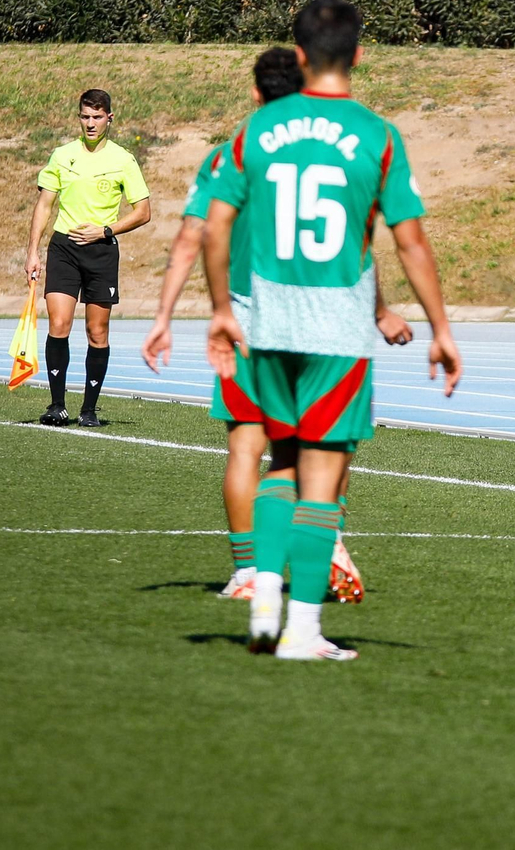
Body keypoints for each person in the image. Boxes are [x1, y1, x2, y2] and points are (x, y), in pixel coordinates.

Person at [205, 0, 462, 662]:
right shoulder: (377, 135)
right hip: (337, 332)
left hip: (269, 325)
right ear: (359, 54)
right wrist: (441, 327)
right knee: (320, 483)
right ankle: (303, 630)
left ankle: (264, 599)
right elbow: (408, 243)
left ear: (296, 56)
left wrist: (221, 311)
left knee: (279, 462)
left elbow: (215, 225)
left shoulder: (255, 131)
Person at [141, 47, 414, 601]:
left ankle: (249, 574)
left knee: (247, 447)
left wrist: (165, 316)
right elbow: (359, 244)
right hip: (327, 318)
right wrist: (380, 310)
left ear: (255, 92)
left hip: (248, 317)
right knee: (324, 448)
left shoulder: (234, 153)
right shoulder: (345, 148)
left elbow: (194, 236)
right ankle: (325, 536)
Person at [24, 88, 152, 428]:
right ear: (79, 117)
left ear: (109, 118)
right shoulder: (62, 155)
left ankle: (89, 410)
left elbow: (143, 212)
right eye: (85, 117)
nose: (90, 123)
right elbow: (44, 205)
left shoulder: (123, 159)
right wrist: (33, 251)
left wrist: (106, 230)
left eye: (97, 117)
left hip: (101, 251)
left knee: (97, 332)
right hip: (63, 248)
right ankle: (56, 406)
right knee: (59, 324)